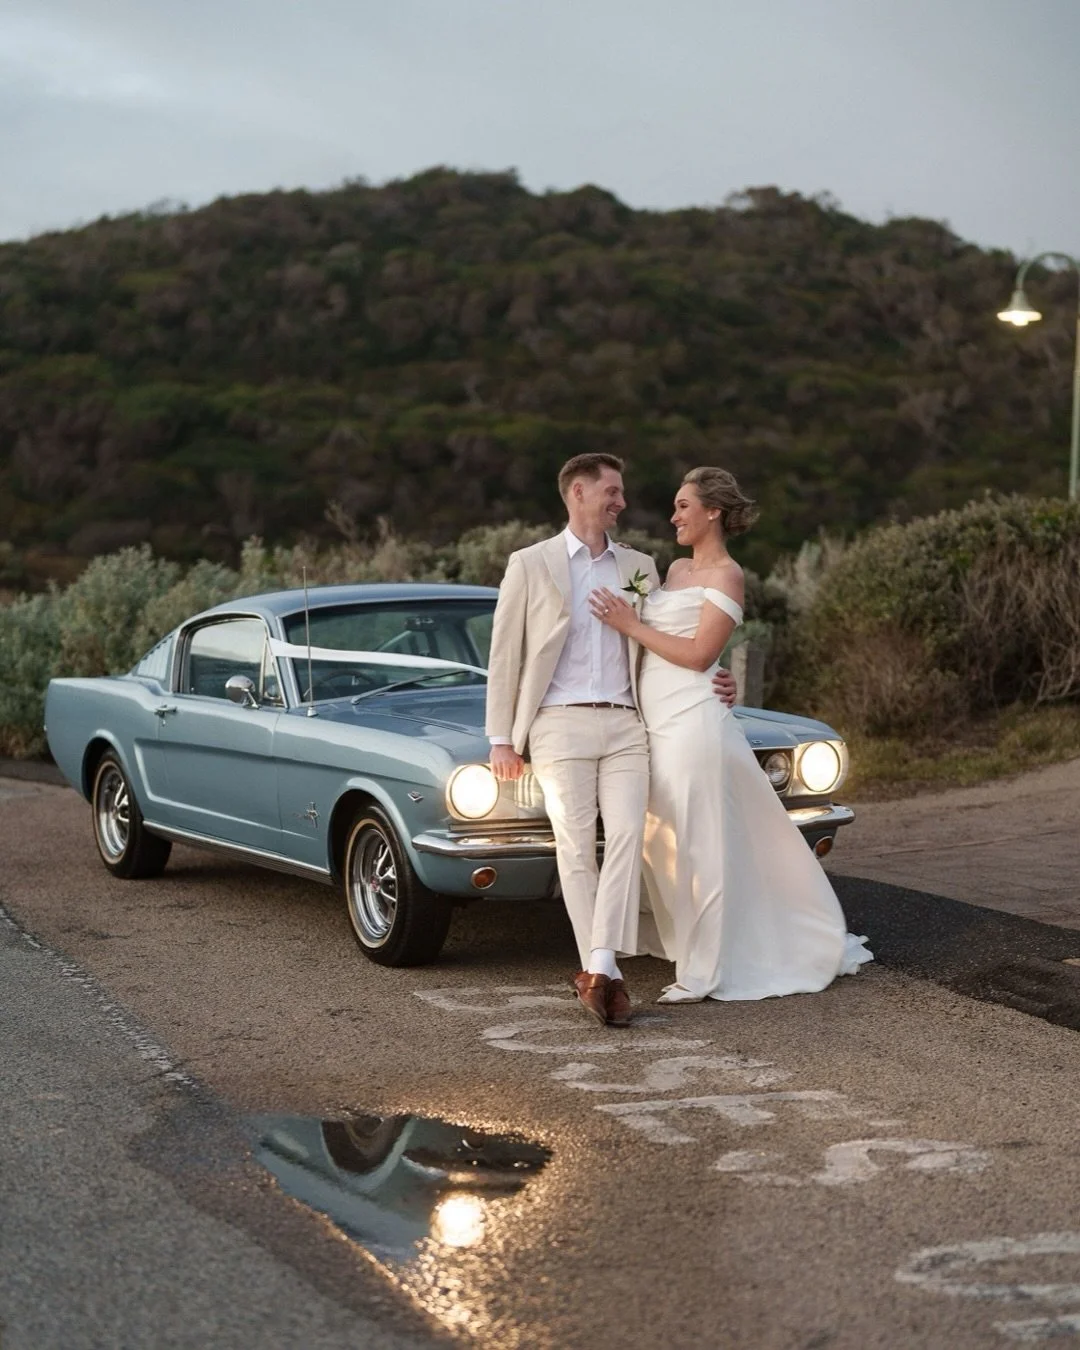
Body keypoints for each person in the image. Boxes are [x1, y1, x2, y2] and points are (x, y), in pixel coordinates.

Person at [588, 466, 872, 1002]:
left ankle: (705, 969)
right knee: (662, 838)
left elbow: (698, 656)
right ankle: (682, 940)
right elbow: (653, 629)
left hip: (693, 723)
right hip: (653, 722)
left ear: (712, 512)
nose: (673, 516)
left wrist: (631, 625)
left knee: (700, 844)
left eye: (682, 506)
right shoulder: (669, 572)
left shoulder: (729, 576)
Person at [485, 453, 737, 1027]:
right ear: (579, 491)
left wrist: (718, 673)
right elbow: (506, 655)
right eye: (613, 492)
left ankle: (598, 967)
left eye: (621, 493)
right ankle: (604, 968)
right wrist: (502, 738)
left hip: (628, 723)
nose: (622, 502)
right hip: (556, 722)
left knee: (628, 836)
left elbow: (672, 638)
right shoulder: (530, 564)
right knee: (575, 844)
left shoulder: (639, 565)